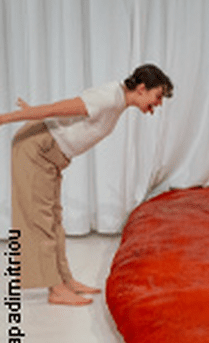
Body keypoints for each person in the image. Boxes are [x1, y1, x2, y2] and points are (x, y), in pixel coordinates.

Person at [0, 64, 174, 306]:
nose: (159, 103)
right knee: (41, 220)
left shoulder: (117, 101)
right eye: (158, 96)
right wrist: (5, 118)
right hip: (36, 150)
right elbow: (55, 108)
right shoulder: (108, 98)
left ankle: (66, 280)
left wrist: (33, 112)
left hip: (50, 155)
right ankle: (56, 290)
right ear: (142, 88)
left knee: (54, 219)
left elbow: (63, 114)